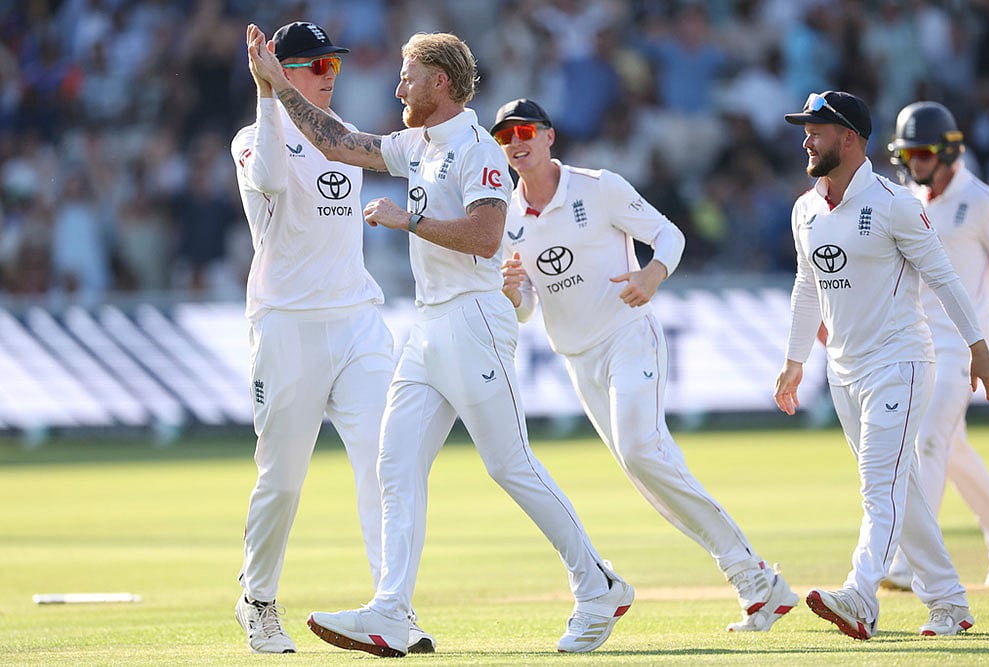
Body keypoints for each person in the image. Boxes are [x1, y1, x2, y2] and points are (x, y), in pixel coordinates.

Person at [246, 26, 634, 657]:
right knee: (392, 466)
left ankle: (598, 584)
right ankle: (391, 612)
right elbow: (340, 142)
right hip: (429, 324)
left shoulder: (478, 148)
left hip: (476, 317)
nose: (397, 86)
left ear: (440, 84)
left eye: (408, 76)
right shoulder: (415, 144)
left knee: (510, 465)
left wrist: (409, 220)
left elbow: (486, 237)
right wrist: (272, 84)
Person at [492, 98, 799, 633]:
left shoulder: (599, 186)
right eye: (503, 137)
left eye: (522, 131)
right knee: (645, 472)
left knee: (643, 450)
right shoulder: (509, 217)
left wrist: (652, 275)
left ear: (548, 135)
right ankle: (757, 583)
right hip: (577, 359)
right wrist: (514, 294)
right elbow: (526, 313)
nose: (514, 143)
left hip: (629, 337)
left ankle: (752, 576)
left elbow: (670, 235)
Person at [230, 21, 434, 655]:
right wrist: (266, 97)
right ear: (282, 71)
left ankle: (391, 608)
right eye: (315, 66)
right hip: (286, 324)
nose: (328, 76)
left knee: (385, 464)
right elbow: (266, 176)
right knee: (283, 480)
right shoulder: (253, 134)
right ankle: (257, 600)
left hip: (357, 321)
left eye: (333, 67)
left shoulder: (339, 135)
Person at [775, 90, 989, 639]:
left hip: (901, 362)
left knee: (880, 486)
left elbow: (944, 276)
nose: (806, 138)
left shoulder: (895, 204)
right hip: (844, 369)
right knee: (904, 489)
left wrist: (979, 347)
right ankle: (950, 601)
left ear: (849, 138)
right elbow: (808, 286)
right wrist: (794, 360)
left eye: (817, 129)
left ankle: (860, 594)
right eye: (805, 129)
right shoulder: (806, 208)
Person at [881, 101, 989, 591]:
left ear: (949, 150)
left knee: (927, 440)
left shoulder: (984, 202)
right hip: (913, 341)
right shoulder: (907, 200)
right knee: (952, 451)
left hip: (960, 347)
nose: (918, 161)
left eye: (926, 151)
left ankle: (911, 562)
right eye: (910, 152)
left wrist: (984, 344)